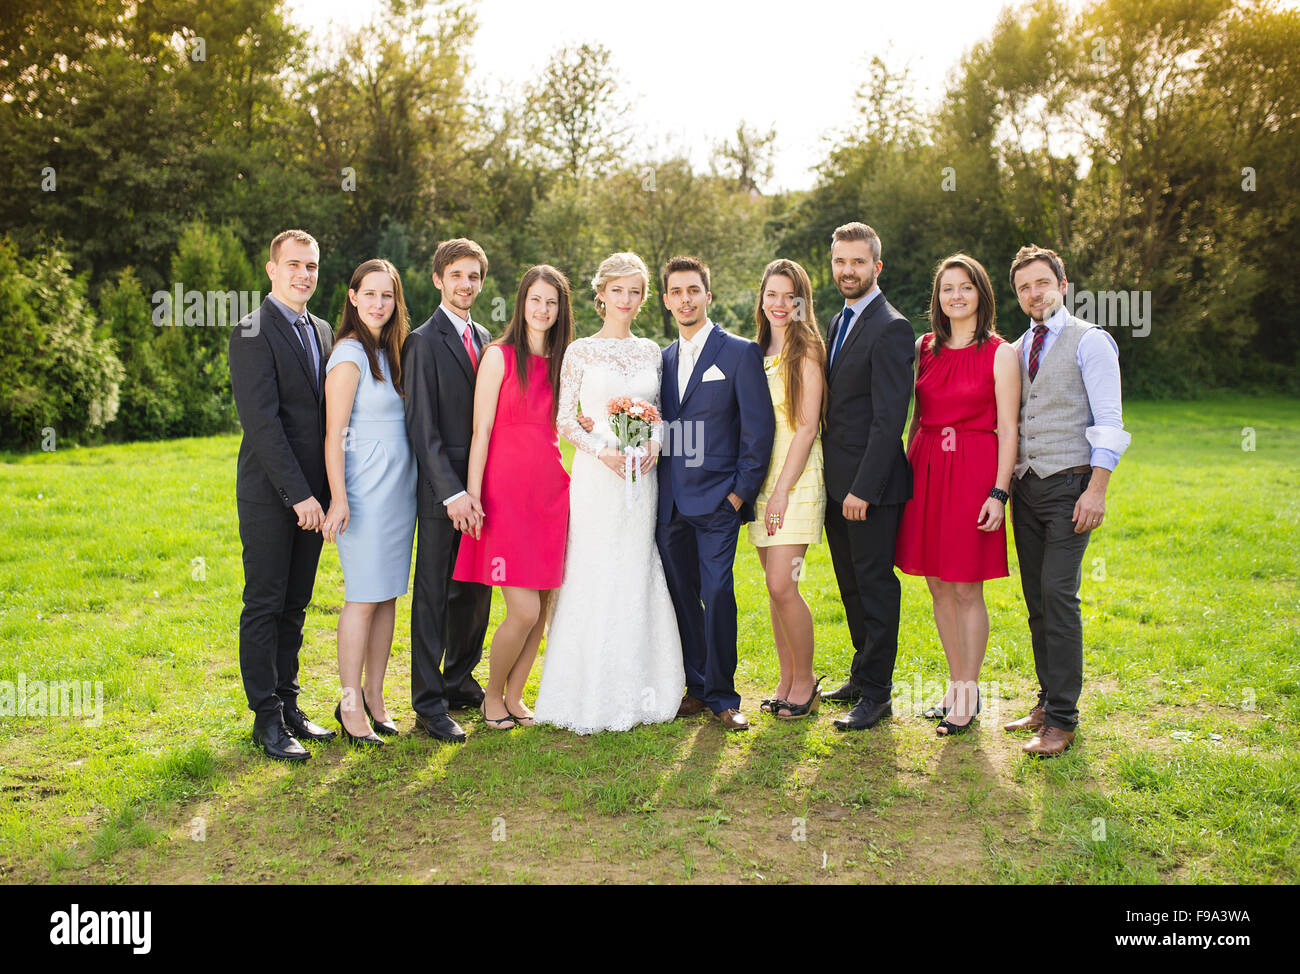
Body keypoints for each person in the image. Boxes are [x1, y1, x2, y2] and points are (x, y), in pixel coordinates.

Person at [534, 253, 686, 733]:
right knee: (593, 567)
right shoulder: (580, 350)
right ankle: (582, 689)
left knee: (636, 564)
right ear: (601, 294)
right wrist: (604, 451)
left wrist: (655, 445)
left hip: (643, 478)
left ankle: (646, 688)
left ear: (643, 298)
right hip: (598, 477)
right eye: (618, 290)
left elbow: (660, 412)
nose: (626, 299)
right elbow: (563, 418)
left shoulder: (650, 352)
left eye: (635, 291)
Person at [1003, 245, 1130, 757]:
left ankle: (1062, 721)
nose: (1034, 294)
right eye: (1024, 288)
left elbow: (1110, 422)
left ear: (1063, 284)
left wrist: (1097, 489)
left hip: (1071, 486)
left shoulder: (1090, 341)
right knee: (1037, 599)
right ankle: (1046, 701)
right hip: (1025, 488)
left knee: (1059, 597)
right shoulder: (1015, 348)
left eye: (1041, 283)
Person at [894, 255, 1020, 737]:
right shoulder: (926, 347)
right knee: (938, 585)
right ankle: (955, 684)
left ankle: (968, 692)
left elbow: (1008, 429)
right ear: (938, 298)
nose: (956, 296)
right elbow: (913, 417)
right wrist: (906, 474)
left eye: (965, 287)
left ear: (980, 294)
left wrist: (998, 492)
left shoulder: (1000, 353)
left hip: (973, 471)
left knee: (967, 585)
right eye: (947, 289)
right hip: (926, 467)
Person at [228, 229, 336, 761]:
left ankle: (290, 705)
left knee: (296, 605)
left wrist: (326, 492)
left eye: (311, 266)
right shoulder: (252, 330)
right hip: (273, 495)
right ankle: (265, 719)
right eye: (293, 264)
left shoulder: (322, 328)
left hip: (314, 496)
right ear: (272, 269)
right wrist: (298, 495)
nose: (303, 274)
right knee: (265, 603)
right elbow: (264, 424)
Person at [656, 256, 775, 732]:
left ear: (708, 295)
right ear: (666, 302)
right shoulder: (661, 359)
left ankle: (724, 695)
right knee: (682, 596)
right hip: (670, 504)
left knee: (717, 592)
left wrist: (738, 495)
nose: (685, 299)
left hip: (719, 502)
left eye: (693, 290)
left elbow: (757, 429)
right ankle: (697, 685)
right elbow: (668, 428)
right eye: (676, 292)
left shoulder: (739, 352)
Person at [454, 265, 574, 730]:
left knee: (542, 606)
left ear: (560, 309)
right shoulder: (499, 356)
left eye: (552, 302)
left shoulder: (566, 361)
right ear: (521, 303)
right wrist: (473, 491)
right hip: (503, 493)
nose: (543, 310)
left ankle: (517, 696)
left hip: (550, 492)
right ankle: (491, 696)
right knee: (521, 609)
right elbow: (480, 429)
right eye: (535, 300)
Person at [818, 223, 915, 732]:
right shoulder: (839, 321)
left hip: (869, 489)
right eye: (840, 261)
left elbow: (888, 419)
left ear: (877, 267)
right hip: (837, 485)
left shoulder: (891, 326)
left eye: (857, 262)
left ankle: (877, 694)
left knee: (875, 587)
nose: (847, 270)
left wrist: (863, 488)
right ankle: (861, 674)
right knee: (850, 585)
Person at [320, 259, 417, 747]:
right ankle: (350, 703)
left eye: (388, 296)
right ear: (353, 297)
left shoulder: (392, 352)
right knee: (362, 597)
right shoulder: (350, 354)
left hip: (400, 491)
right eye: (371, 294)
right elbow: (333, 434)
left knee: (387, 596)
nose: (380, 304)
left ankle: (376, 696)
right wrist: (338, 498)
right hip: (363, 492)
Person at [402, 238, 495, 743]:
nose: (466, 285)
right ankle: (428, 701)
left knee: (475, 592)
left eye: (474, 277)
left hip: (485, 489)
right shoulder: (422, 341)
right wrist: (452, 493)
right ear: (439, 279)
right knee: (434, 594)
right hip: (444, 493)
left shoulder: (485, 337)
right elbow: (423, 428)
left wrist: (480, 489)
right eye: (457, 275)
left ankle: (459, 678)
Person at [746, 259, 828, 719]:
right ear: (762, 299)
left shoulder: (807, 350)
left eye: (788, 296)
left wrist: (780, 491)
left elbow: (806, 428)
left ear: (801, 302)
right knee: (773, 588)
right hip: (761, 479)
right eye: (771, 295)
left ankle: (805, 680)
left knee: (784, 582)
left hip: (795, 482)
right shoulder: (755, 351)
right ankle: (785, 677)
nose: (779, 304)